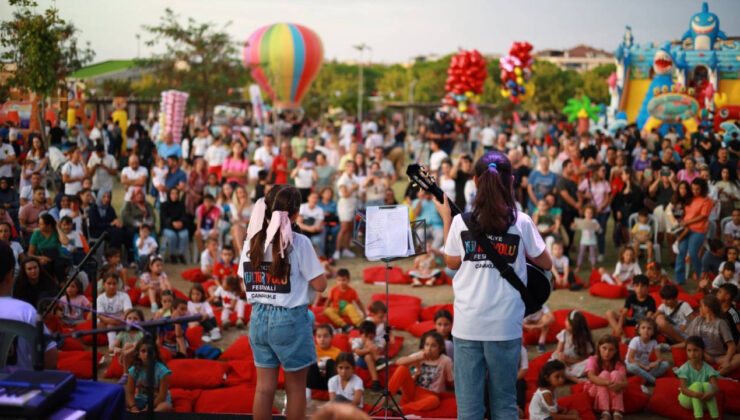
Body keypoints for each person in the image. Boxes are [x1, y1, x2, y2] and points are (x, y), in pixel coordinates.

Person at [433, 151, 551, 419]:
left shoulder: (461, 222)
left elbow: (452, 262)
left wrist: (446, 218)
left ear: (475, 181)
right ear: (510, 181)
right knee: (504, 405)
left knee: (469, 408)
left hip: (467, 324)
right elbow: (547, 263)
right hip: (505, 324)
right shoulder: (521, 221)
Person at [237, 185, 327, 420]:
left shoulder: (251, 240)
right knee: (295, 388)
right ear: (296, 214)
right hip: (289, 319)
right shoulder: (300, 242)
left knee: (264, 389)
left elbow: (243, 282)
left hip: (258, 317)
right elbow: (320, 285)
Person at [0, 242, 58, 369]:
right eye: (29, 269)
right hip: (19, 384)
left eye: (35, 267)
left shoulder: (46, 282)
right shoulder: (24, 311)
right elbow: (50, 357)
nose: (33, 271)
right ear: (10, 275)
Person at [388, 330, 454, 413]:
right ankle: (385, 399)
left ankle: (401, 409)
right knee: (402, 369)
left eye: (433, 345)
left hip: (430, 395)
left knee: (434, 401)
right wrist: (418, 358)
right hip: (413, 390)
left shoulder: (446, 361)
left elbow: (451, 381)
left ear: (440, 348)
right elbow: (398, 362)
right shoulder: (420, 355)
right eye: (427, 345)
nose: (429, 349)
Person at [680, 294, 740, 376]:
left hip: (718, 357)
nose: (699, 308)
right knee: (692, 353)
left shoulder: (720, 323)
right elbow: (690, 341)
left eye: (701, 306)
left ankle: (716, 375)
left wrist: (726, 360)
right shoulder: (698, 320)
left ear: (707, 308)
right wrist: (704, 354)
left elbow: (731, 346)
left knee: (738, 358)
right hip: (701, 354)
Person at [675, 178, 713, 284]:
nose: (694, 191)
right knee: (680, 252)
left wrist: (688, 222)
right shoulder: (689, 198)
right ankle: (679, 280)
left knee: (692, 254)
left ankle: (700, 276)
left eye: (697, 189)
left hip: (698, 230)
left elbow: (703, 216)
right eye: (693, 189)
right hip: (685, 229)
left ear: (703, 189)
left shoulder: (706, 200)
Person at [675, 336, 720, 420]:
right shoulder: (684, 368)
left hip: (703, 399)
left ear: (703, 351)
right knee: (697, 385)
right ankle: (698, 417)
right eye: (689, 350)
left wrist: (711, 393)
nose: (692, 353)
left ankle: (715, 417)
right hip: (687, 399)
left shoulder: (708, 368)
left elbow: (716, 388)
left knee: (707, 385)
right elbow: (684, 389)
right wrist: (695, 394)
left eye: (695, 350)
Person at [584, 335, 627, 420]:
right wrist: (607, 382)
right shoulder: (592, 360)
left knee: (615, 374)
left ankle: (617, 412)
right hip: (595, 393)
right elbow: (591, 377)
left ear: (616, 351)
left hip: (612, 392)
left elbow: (625, 382)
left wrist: (620, 385)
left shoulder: (618, 363)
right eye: (604, 348)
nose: (607, 353)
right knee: (604, 374)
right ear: (599, 347)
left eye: (611, 350)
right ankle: (605, 412)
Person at [126, 341, 173, 413]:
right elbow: (130, 392)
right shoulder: (133, 371)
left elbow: (162, 395)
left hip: (157, 402)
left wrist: (150, 407)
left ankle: (147, 414)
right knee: (121, 401)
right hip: (140, 400)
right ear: (138, 354)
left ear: (155, 354)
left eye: (150, 351)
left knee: (166, 407)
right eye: (143, 351)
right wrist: (133, 407)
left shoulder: (163, 371)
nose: (147, 354)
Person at [606, 275, 656, 342]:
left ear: (647, 287)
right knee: (609, 313)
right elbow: (624, 313)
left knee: (648, 325)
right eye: (637, 286)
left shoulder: (651, 300)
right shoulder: (631, 297)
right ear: (633, 287)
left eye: (642, 286)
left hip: (643, 324)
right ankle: (623, 336)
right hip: (633, 320)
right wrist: (619, 326)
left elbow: (648, 317)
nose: (639, 289)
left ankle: (636, 339)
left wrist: (641, 327)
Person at [550, 310, 594, 383]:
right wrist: (563, 360)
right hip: (562, 363)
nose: (565, 321)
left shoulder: (583, 339)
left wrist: (569, 360)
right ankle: (573, 379)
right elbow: (559, 351)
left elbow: (584, 358)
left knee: (590, 362)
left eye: (567, 320)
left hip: (576, 365)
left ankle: (563, 375)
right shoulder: (564, 334)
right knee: (552, 364)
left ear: (572, 325)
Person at [624, 318, 670, 384]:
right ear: (639, 330)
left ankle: (644, 379)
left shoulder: (654, 342)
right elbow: (630, 359)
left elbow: (660, 358)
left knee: (666, 364)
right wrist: (644, 367)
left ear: (653, 332)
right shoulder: (635, 340)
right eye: (643, 328)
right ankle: (654, 381)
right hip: (634, 364)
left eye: (649, 328)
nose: (646, 330)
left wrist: (656, 363)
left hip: (645, 364)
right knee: (631, 367)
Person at [98, 272, 133, 353]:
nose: (112, 286)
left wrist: (120, 319)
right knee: (110, 325)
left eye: (114, 283)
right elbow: (101, 316)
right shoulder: (100, 298)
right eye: (109, 283)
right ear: (103, 285)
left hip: (121, 321)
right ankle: (112, 348)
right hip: (104, 323)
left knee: (132, 321)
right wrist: (111, 321)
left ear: (118, 285)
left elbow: (128, 311)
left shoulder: (124, 296)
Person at [113, 308, 145, 385]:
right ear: (125, 320)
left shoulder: (141, 333)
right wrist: (117, 349)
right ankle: (126, 374)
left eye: (135, 319)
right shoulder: (123, 333)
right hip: (124, 360)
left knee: (134, 344)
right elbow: (111, 348)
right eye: (129, 318)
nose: (132, 320)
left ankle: (125, 375)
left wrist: (134, 346)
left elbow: (143, 348)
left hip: (138, 358)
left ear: (141, 321)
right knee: (127, 345)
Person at [306, 324, 340, 392]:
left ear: (331, 337)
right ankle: (309, 392)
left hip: (331, 382)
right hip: (315, 382)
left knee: (330, 362)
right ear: (315, 338)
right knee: (310, 364)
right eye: (319, 336)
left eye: (325, 336)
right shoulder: (312, 350)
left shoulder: (337, 352)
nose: (322, 339)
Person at [160, 188, 189, 264]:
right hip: (168, 227)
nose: (174, 195)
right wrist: (172, 223)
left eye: (176, 193)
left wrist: (181, 222)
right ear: (169, 195)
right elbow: (164, 218)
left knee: (185, 234)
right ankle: (172, 255)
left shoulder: (181, 205)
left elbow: (184, 216)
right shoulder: (164, 205)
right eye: (172, 193)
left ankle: (180, 254)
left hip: (180, 226)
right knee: (172, 236)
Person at [574, 205, 600, 273]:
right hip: (584, 241)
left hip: (592, 241)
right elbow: (574, 227)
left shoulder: (594, 221)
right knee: (581, 253)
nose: (589, 214)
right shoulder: (582, 221)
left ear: (593, 214)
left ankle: (593, 266)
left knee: (592, 254)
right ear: (584, 213)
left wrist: (598, 228)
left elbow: (599, 230)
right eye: (587, 212)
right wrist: (573, 225)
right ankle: (578, 266)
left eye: (590, 213)